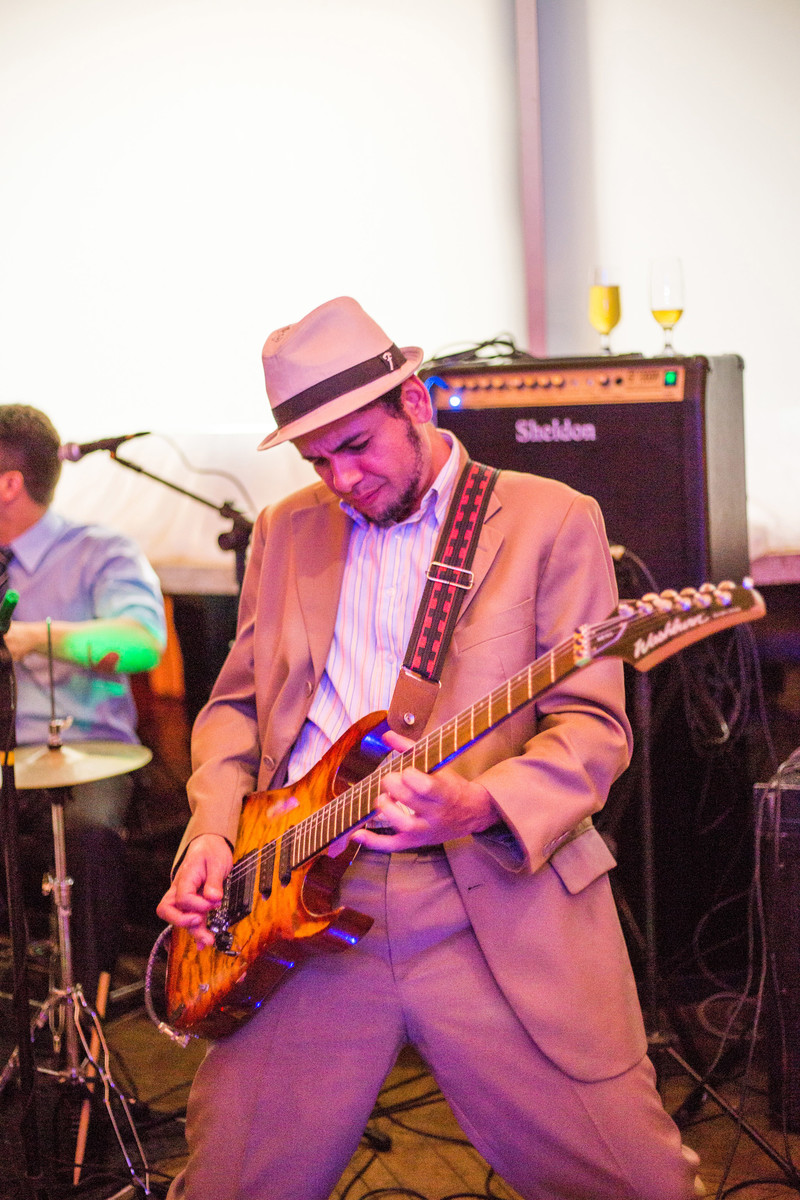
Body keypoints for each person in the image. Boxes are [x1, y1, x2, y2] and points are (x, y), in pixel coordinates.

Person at [157, 297, 702, 1200]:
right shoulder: (286, 533)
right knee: (232, 1184)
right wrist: (212, 831)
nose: (341, 478)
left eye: (357, 446)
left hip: (487, 899)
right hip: (298, 903)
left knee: (635, 1185)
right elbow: (235, 710)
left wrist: (482, 803)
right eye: (316, 458)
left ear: (416, 401)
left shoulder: (549, 519)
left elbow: (593, 729)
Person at [0, 403, 166, 1006]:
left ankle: (80, 1016)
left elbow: (142, 642)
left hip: (86, 752)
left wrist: (33, 637)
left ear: (10, 484)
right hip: (4, 759)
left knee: (88, 835)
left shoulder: (100, 551)